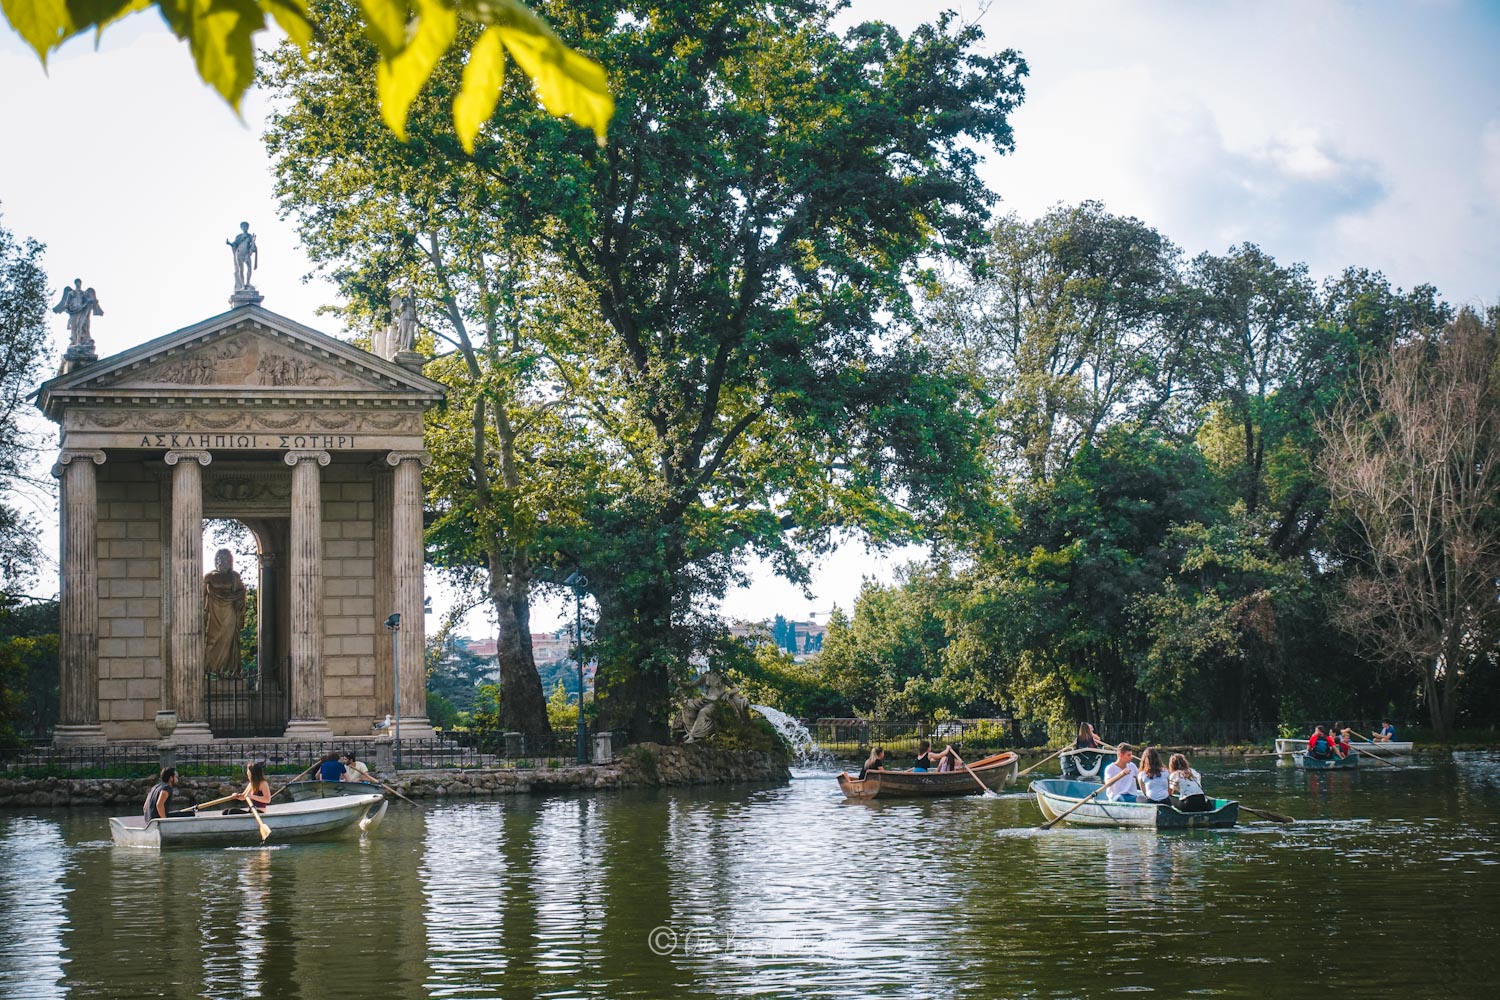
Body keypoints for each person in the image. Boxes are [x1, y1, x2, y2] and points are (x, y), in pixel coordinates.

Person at [227, 221, 258, 289]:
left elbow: (253, 246)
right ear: (241, 227)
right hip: (239, 253)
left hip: (246, 254)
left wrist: (253, 240)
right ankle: (242, 285)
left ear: (248, 227)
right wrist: (229, 243)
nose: (244, 228)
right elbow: (235, 244)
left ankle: (248, 282)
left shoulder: (250, 236)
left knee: (249, 268)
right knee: (241, 270)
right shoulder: (238, 236)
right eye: (243, 226)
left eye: (246, 226)